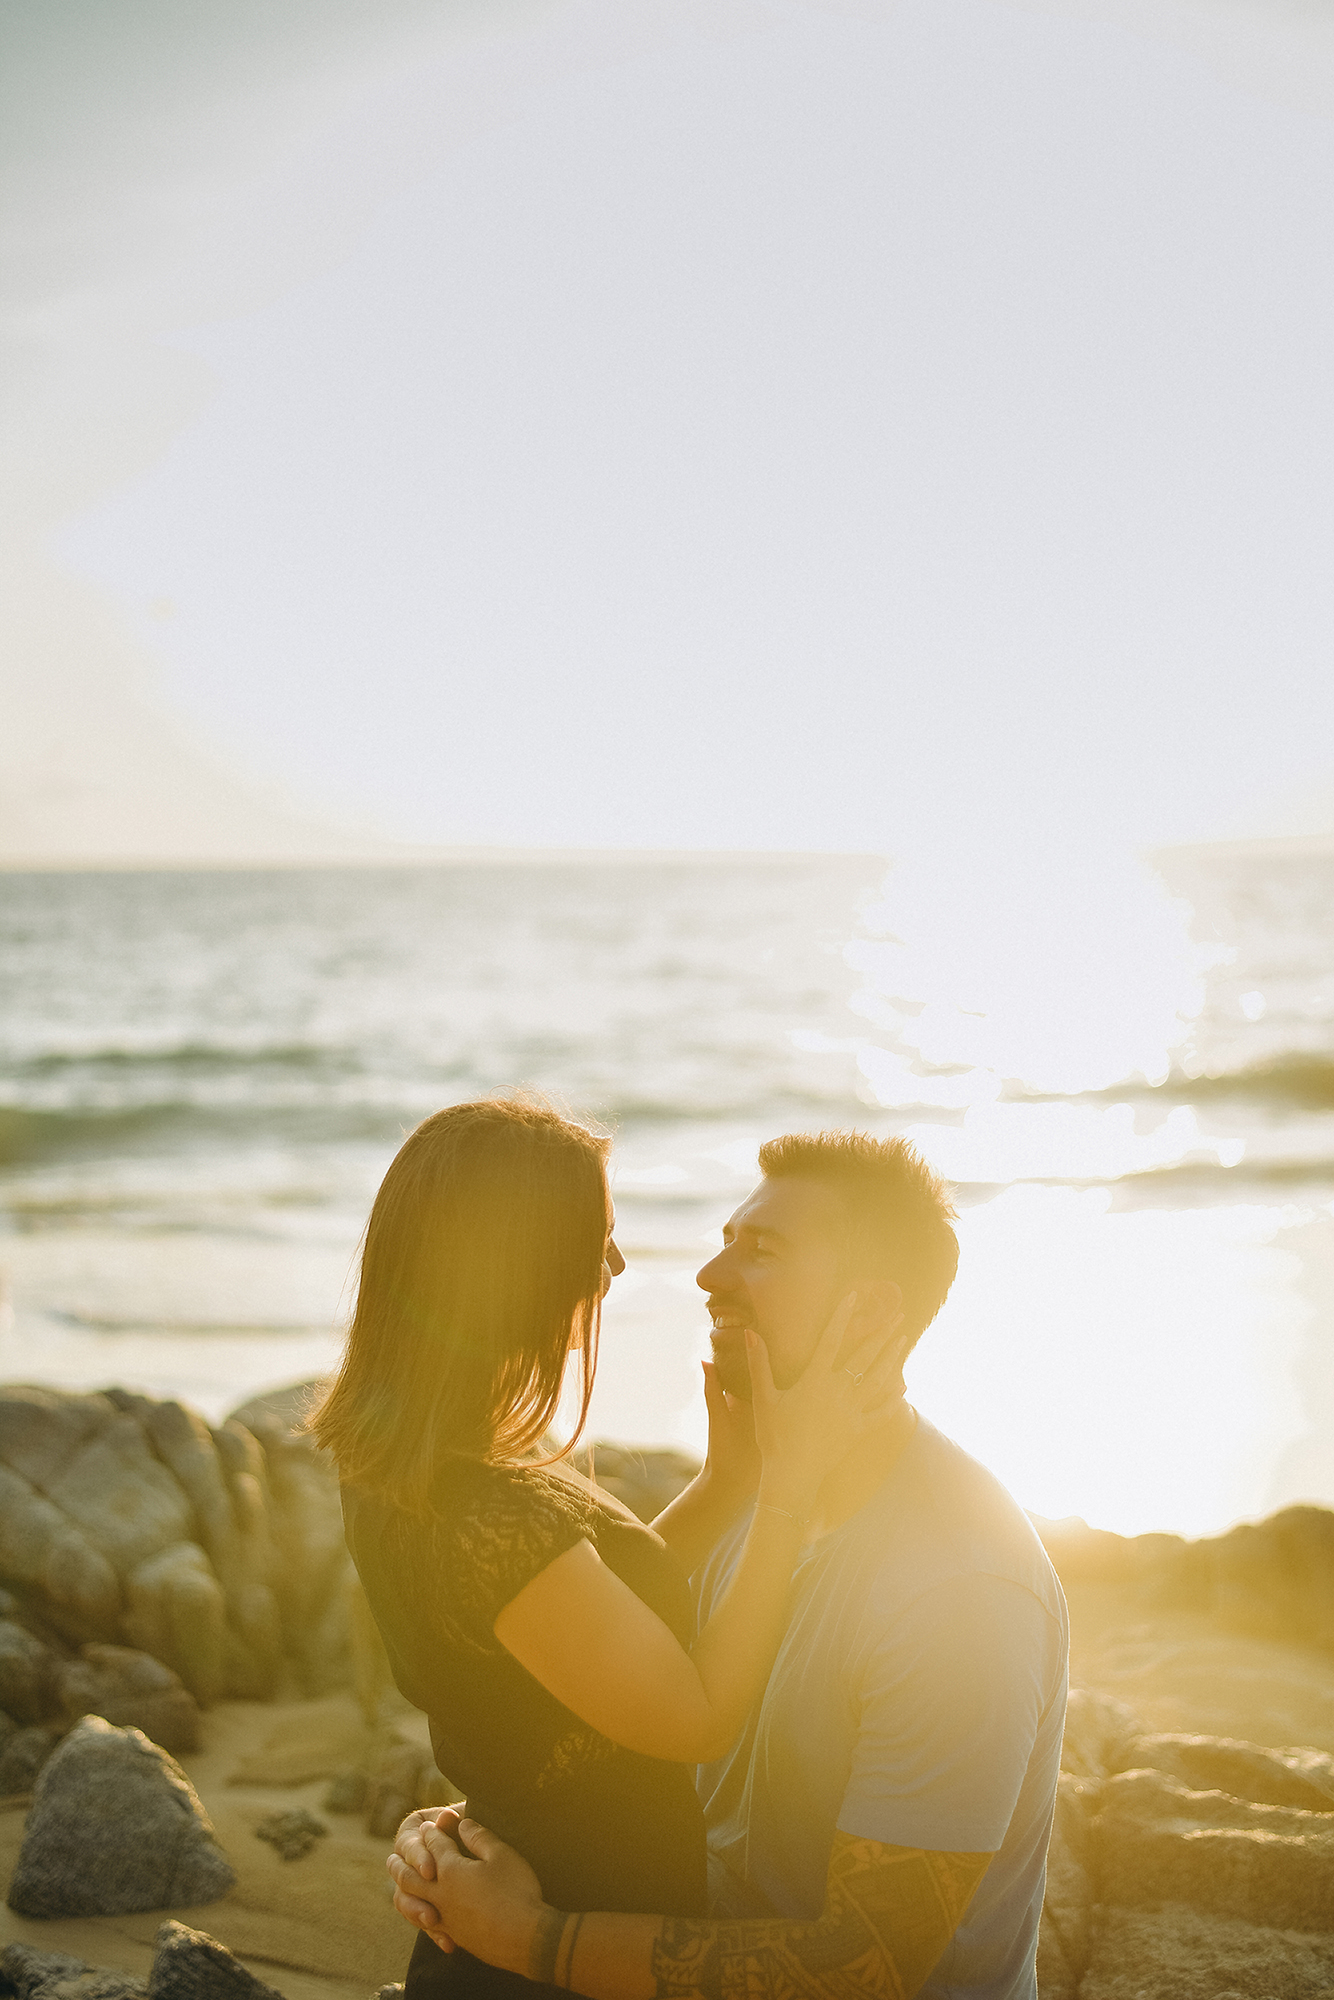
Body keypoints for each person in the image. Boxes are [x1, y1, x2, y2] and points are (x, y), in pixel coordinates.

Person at [388, 1129, 1070, 2000]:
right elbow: (597, 1702)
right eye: (724, 1244)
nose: (711, 1279)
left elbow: (866, 1968)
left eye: (764, 1251)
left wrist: (535, 1938)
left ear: (868, 1315)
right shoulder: (753, 1495)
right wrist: (457, 1837)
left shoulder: (960, 1593)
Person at [312, 1098, 906, 2000]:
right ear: (517, 1263)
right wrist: (786, 1491)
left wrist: (727, 1483)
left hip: (513, 1903)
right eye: (597, 1238)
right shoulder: (487, 1513)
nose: (616, 1265)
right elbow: (698, 1716)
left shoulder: (415, 1468)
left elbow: (575, 1622)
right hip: (556, 1944)